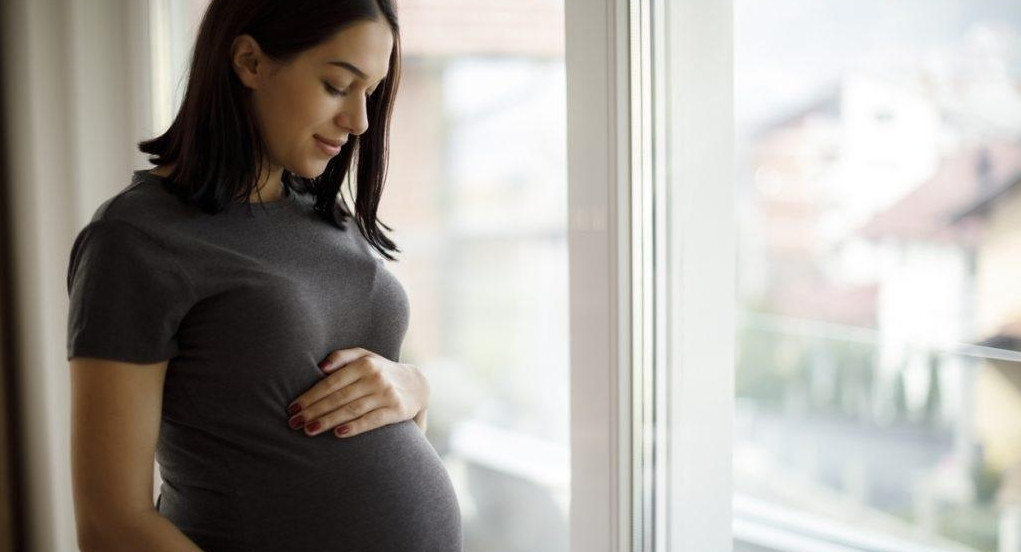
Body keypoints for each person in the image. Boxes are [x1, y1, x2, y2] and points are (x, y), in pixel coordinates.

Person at [65, 1, 462, 550]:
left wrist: (413, 389)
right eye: (336, 84)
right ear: (250, 62)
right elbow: (111, 523)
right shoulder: (136, 239)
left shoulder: (324, 213)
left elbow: (364, 419)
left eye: (369, 91)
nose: (360, 121)